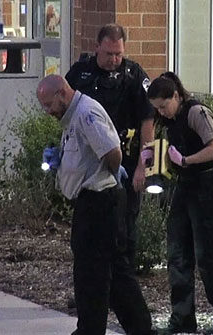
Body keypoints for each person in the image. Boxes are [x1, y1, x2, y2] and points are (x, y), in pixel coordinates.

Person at [37, 74, 155, 335]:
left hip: (100, 202)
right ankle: (140, 329)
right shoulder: (73, 117)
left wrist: (109, 176)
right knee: (115, 275)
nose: (47, 111)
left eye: (48, 104)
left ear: (62, 94)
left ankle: (91, 330)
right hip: (95, 202)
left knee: (92, 275)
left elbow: (113, 152)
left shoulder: (86, 114)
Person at [146, 72, 213, 334]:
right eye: (157, 109)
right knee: (177, 253)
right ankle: (182, 318)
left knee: (207, 256)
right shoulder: (172, 118)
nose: (162, 113)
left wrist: (186, 160)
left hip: (207, 186)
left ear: (176, 96)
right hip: (186, 186)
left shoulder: (196, 113)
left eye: (164, 106)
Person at [65, 23, 154, 268]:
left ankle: (122, 287)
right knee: (88, 228)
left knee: (124, 228)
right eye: (109, 54)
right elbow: (64, 113)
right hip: (89, 163)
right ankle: (92, 285)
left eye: (119, 54)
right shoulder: (81, 73)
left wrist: (142, 167)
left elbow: (148, 123)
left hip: (124, 159)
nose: (114, 59)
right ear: (96, 48)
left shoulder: (134, 76)